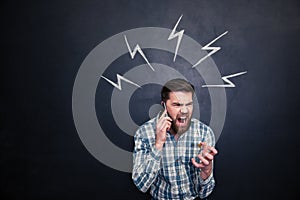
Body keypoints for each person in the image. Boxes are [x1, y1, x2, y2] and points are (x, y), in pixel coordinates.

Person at [132, 78, 218, 200]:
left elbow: (205, 194)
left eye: (188, 104)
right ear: (164, 106)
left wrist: (207, 171)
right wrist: (158, 144)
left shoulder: (204, 133)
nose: (184, 111)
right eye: (177, 105)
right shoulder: (144, 133)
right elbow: (141, 185)